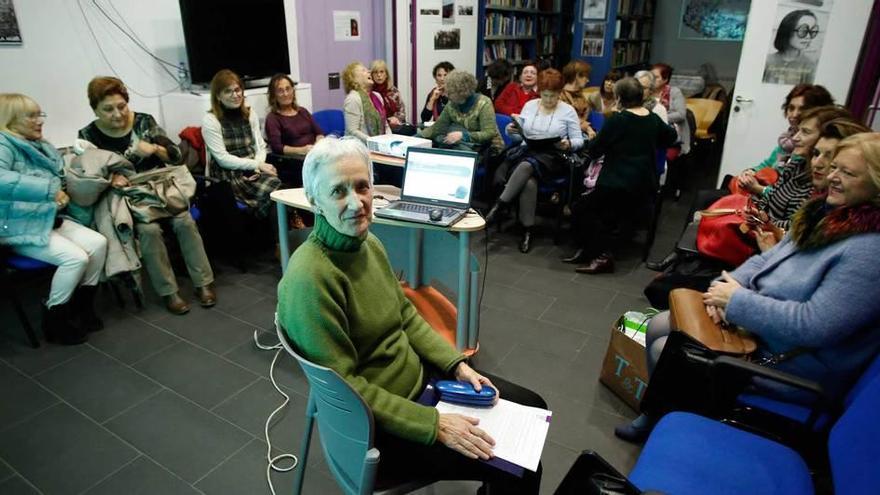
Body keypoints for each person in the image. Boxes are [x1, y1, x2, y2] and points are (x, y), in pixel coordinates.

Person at [276, 136, 545, 494]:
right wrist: (435, 424)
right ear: (313, 200)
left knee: (534, 408)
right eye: (338, 192)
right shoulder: (310, 279)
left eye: (362, 186)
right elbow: (348, 389)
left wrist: (456, 365)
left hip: (421, 385)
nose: (357, 203)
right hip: (383, 426)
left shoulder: (368, 243)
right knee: (524, 467)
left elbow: (405, 314)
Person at [616, 132, 880, 443]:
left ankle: (679, 426)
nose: (832, 177)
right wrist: (725, 290)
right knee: (658, 324)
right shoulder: (825, 214)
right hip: (760, 328)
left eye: (847, 173)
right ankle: (664, 412)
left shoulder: (869, 251)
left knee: (667, 350)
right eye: (834, 167)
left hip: (790, 364)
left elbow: (814, 326)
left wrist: (737, 302)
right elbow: (767, 260)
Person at [78, 76, 215, 315]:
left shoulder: (143, 122)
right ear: (95, 110)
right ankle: (169, 292)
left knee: (185, 222)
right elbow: (88, 175)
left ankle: (203, 283)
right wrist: (110, 179)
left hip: (163, 191)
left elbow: (176, 156)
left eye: (122, 106)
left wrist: (155, 149)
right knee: (148, 231)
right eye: (108, 110)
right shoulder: (88, 135)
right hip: (128, 199)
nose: (117, 114)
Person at [1, 93, 107, 344]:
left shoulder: (41, 145)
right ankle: (54, 316)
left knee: (99, 243)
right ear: (10, 119)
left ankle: (83, 307)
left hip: (46, 218)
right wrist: (49, 191)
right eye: (32, 116)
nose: (40, 121)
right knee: (76, 258)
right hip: (14, 225)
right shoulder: (3, 143)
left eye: (40, 114)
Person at [563, 77, 678, 274]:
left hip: (618, 182)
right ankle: (591, 250)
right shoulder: (652, 118)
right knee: (597, 208)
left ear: (619, 98)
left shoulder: (619, 119)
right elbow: (671, 137)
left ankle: (601, 255)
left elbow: (596, 148)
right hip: (644, 183)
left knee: (581, 208)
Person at [485, 69, 584, 253]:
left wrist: (568, 143)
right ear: (540, 92)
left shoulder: (568, 111)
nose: (548, 100)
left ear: (559, 93)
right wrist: (511, 131)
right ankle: (527, 231)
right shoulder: (530, 106)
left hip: (553, 157)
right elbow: (521, 138)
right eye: (545, 95)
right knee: (529, 182)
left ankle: (499, 206)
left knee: (527, 165)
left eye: (552, 96)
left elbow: (580, 141)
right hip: (528, 150)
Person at [756, 117, 872, 252]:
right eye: (816, 154)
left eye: (830, 156)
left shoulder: (863, 239)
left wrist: (772, 250)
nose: (817, 163)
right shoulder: (819, 204)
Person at [202, 69, 281, 218]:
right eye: (228, 91)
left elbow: (260, 146)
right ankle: (266, 234)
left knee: (277, 189)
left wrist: (257, 168)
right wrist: (256, 165)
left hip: (252, 169)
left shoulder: (250, 114)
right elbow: (222, 159)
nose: (235, 95)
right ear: (218, 96)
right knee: (272, 191)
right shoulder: (210, 120)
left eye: (238, 90)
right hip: (227, 176)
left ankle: (272, 237)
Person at [418, 70, 504, 156]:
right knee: (439, 140)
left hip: (485, 149)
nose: (447, 95)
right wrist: (417, 137)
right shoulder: (452, 103)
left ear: (462, 93)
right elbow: (438, 127)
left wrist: (463, 136)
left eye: (450, 93)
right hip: (461, 145)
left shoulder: (484, 103)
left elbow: (489, 133)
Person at [264, 73, 324, 156]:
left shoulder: (303, 111)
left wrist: (318, 145)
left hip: (315, 153)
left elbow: (319, 133)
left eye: (288, 89)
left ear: (293, 90)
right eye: (280, 91)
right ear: (274, 96)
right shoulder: (273, 118)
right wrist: (302, 150)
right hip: (296, 159)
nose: (286, 94)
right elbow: (276, 147)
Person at [763, 9, 819, 85]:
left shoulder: (810, 65)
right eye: (803, 30)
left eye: (812, 31)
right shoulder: (767, 61)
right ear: (787, 30)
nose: (808, 37)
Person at [342, 61, 388, 143]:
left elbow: (385, 125)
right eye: (363, 70)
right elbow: (352, 131)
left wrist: (390, 139)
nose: (369, 71)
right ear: (354, 79)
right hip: (358, 148)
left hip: (379, 145)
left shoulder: (377, 96)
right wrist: (374, 142)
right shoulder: (353, 99)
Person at [651, 63, 689, 156]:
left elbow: (681, 114)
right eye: (650, 76)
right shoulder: (646, 92)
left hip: (672, 136)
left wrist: (659, 118)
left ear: (665, 79)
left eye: (656, 77)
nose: (652, 80)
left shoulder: (674, 92)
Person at [370, 60, 415, 135]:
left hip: (394, 125)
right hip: (377, 127)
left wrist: (396, 118)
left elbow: (402, 112)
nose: (379, 75)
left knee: (411, 129)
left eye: (381, 72)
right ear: (371, 75)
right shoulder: (369, 92)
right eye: (375, 72)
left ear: (386, 74)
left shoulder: (393, 91)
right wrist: (386, 121)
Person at [559, 60, 597, 139]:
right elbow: (570, 120)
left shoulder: (581, 96)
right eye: (586, 76)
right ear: (577, 76)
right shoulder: (560, 96)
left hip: (582, 134)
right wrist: (588, 128)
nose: (588, 80)